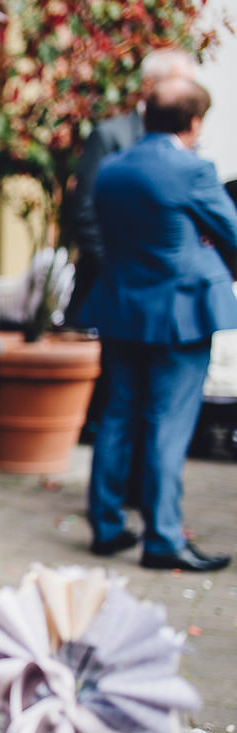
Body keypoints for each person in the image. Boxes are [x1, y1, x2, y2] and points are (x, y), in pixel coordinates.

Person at [80, 77, 236, 571]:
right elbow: (231, 232)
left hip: (123, 306)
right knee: (168, 423)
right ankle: (163, 537)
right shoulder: (193, 169)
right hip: (182, 312)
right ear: (193, 122)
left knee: (118, 415)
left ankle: (106, 527)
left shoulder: (111, 169)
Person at [66, 47, 198, 325]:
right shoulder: (110, 136)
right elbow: (85, 213)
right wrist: (126, 271)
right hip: (110, 295)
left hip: (172, 304)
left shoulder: (189, 143)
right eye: (179, 85)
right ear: (148, 85)